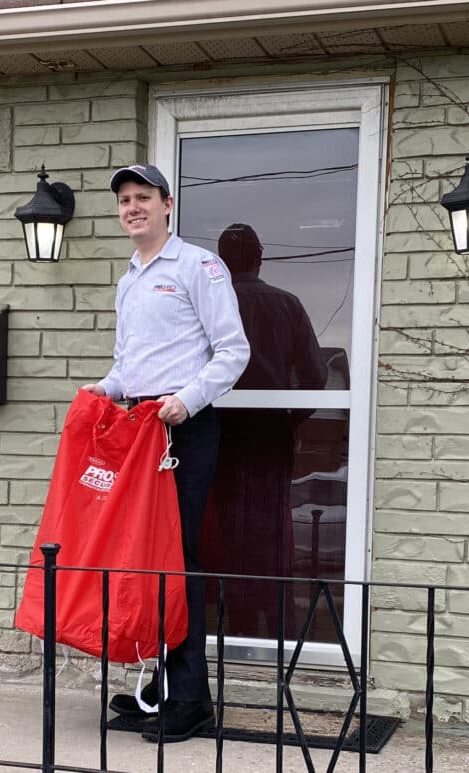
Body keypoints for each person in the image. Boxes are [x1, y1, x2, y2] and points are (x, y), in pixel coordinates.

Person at [81, 164, 250, 743]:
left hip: (183, 428)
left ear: (168, 204)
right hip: (139, 431)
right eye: (125, 200)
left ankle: (191, 700)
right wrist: (103, 389)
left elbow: (233, 351)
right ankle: (159, 691)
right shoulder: (129, 278)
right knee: (143, 558)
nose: (133, 208)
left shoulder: (199, 266)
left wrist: (188, 399)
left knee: (177, 563)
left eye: (144, 198)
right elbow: (128, 366)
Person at [209, 223, 328, 639]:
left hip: (219, 438)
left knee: (228, 533)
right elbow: (316, 377)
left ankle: (237, 632)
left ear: (220, 261)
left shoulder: (209, 306)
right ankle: (279, 632)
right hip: (271, 440)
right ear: (260, 257)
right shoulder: (287, 305)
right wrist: (288, 418)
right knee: (274, 531)